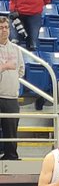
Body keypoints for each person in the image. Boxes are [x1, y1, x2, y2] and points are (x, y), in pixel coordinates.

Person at [0, 14, 24, 159]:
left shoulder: (16, 49)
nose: (4, 30)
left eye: (6, 27)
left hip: (11, 96)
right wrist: (4, 67)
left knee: (11, 130)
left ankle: (11, 156)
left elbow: (21, 70)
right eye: (1, 28)